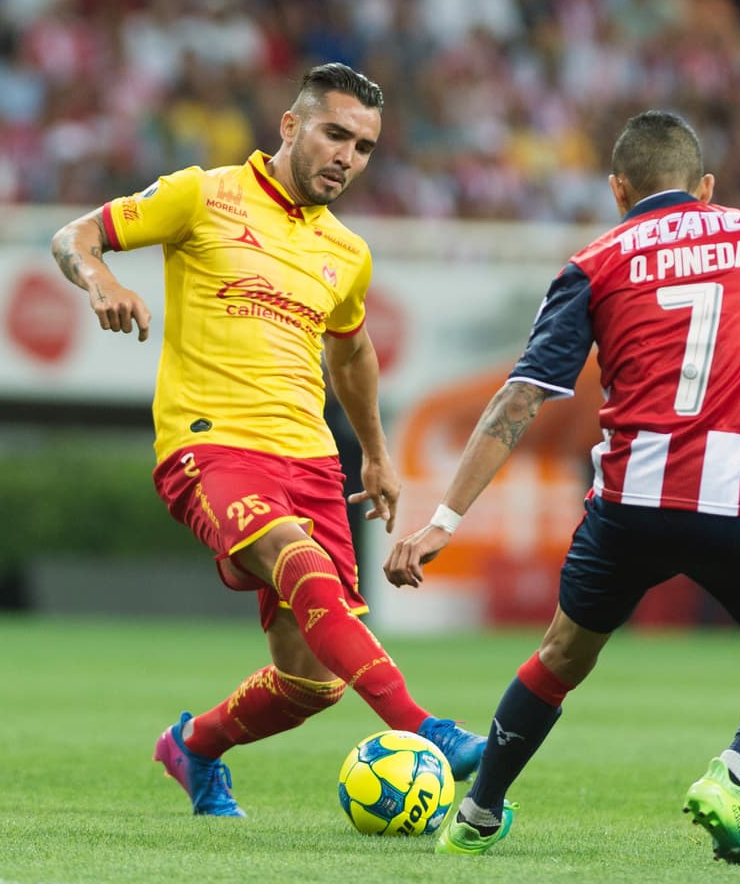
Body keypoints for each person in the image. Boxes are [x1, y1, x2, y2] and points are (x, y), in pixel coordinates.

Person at [384, 110, 740, 864]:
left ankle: (479, 813)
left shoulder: (595, 262)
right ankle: (732, 772)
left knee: (560, 656)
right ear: (706, 187)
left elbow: (519, 399)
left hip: (626, 509)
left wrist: (443, 518)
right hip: (739, 505)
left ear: (618, 189)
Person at [50, 62, 485, 818]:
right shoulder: (202, 193)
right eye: (335, 133)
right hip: (210, 445)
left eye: (365, 146)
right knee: (299, 561)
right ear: (291, 126)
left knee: (313, 680)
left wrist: (377, 453)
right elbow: (73, 234)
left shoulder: (347, 253)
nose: (348, 156)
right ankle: (427, 730)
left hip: (312, 461)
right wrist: (100, 281)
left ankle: (194, 746)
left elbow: (351, 351)